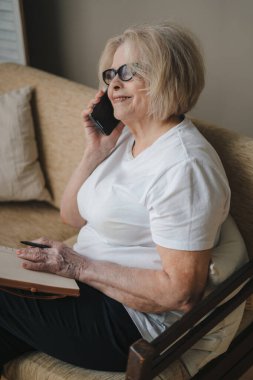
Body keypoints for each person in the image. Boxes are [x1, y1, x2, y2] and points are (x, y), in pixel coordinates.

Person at [0, 22, 231, 373]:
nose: (114, 84)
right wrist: (95, 151)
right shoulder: (126, 138)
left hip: (129, 322)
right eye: (111, 74)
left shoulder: (184, 166)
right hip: (85, 287)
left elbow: (180, 293)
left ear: (168, 75)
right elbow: (72, 217)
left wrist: (77, 265)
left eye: (128, 72)